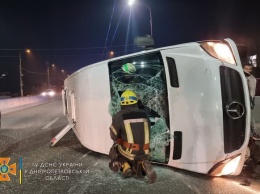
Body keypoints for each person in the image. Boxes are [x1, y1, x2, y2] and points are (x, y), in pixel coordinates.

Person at [108, 90, 157, 183]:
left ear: (122, 102)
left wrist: (119, 139)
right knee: (138, 160)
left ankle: (125, 167)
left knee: (116, 149)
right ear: (135, 101)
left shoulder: (119, 115)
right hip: (145, 150)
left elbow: (113, 135)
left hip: (130, 152)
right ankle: (142, 164)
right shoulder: (144, 114)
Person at [243, 63, 260, 140]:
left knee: (251, 117)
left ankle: (255, 133)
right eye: (245, 68)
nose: (246, 70)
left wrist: (251, 101)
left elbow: (252, 91)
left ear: (250, 70)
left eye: (248, 69)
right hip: (246, 100)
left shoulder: (251, 78)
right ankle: (250, 134)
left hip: (249, 100)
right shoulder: (245, 77)